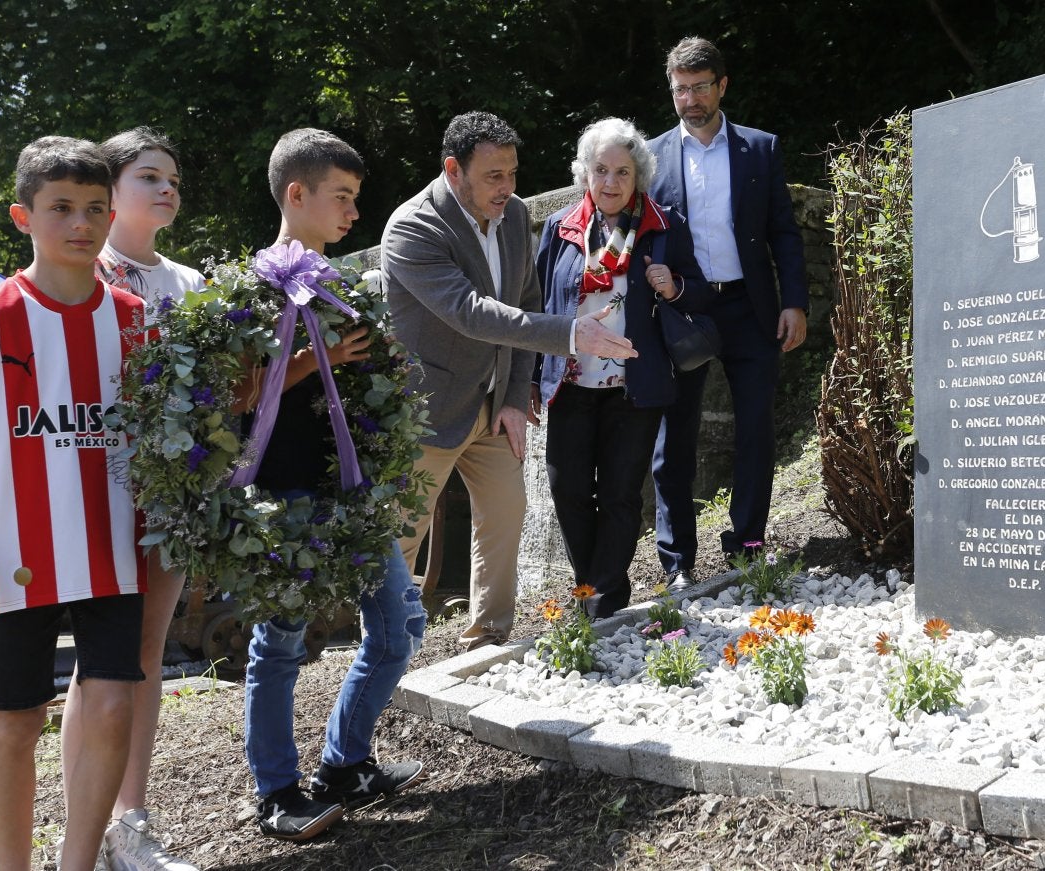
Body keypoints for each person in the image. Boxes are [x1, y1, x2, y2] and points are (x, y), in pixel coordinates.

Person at [0, 136, 148, 871]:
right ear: (24, 216)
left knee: (114, 706)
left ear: (112, 214)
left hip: (114, 550)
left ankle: (77, 865)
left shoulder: (132, 317)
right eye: (62, 208)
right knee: (16, 722)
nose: (81, 223)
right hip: (17, 555)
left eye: (95, 208)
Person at [382, 111, 637, 649]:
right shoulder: (412, 227)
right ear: (454, 170)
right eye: (493, 176)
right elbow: (471, 312)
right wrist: (570, 335)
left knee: (504, 519)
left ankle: (488, 640)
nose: (508, 188)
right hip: (427, 407)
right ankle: (386, 648)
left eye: (512, 173)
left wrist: (519, 394)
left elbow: (524, 300)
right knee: (401, 537)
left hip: (496, 402)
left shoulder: (517, 215)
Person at [240, 128, 427, 843]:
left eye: (355, 198)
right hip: (286, 490)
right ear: (298, 194)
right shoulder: (253, 286)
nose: (353, 212)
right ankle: (276, 791)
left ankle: (344, 764)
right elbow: (236, 400)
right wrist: (317, 362)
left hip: (353, 487)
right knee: (279, 642)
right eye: (341, 197)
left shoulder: (341, 283)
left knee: (401, 625)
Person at [67, 125, 204, 871]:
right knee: (98, 666)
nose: (166, 187)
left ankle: (132, 824)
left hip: (172, 493)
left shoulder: (191, 287)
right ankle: (81, 838)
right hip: (96, 488)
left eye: (172, 177)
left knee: (146, 656)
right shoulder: (82, 273)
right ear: (109, 189)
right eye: (148, 175)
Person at [647, 37, 808, 591]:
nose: (689, 99)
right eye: (679, 90)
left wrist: (794, 301)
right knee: (675, 436)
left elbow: (784, 232)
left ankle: (747, 545)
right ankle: (676, 560)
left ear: (722, 85)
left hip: (750, 306)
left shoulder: (760, 149)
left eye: (699, 87)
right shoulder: (649, 158)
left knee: (756, 429)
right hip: (683, 308)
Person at [533, 117, 706, 618]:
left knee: (619, 494)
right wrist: (528, 380)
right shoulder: (559, 228)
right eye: (601, 170)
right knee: (567, 489)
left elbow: (698, 294)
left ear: (638, 177)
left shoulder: (665, 226)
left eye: (623, 172)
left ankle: (604, 599)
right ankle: (589, 586)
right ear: (586, 173)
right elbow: (539, 309)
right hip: (571, 382)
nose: (610, 183)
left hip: (635, 385)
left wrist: (672, 286)